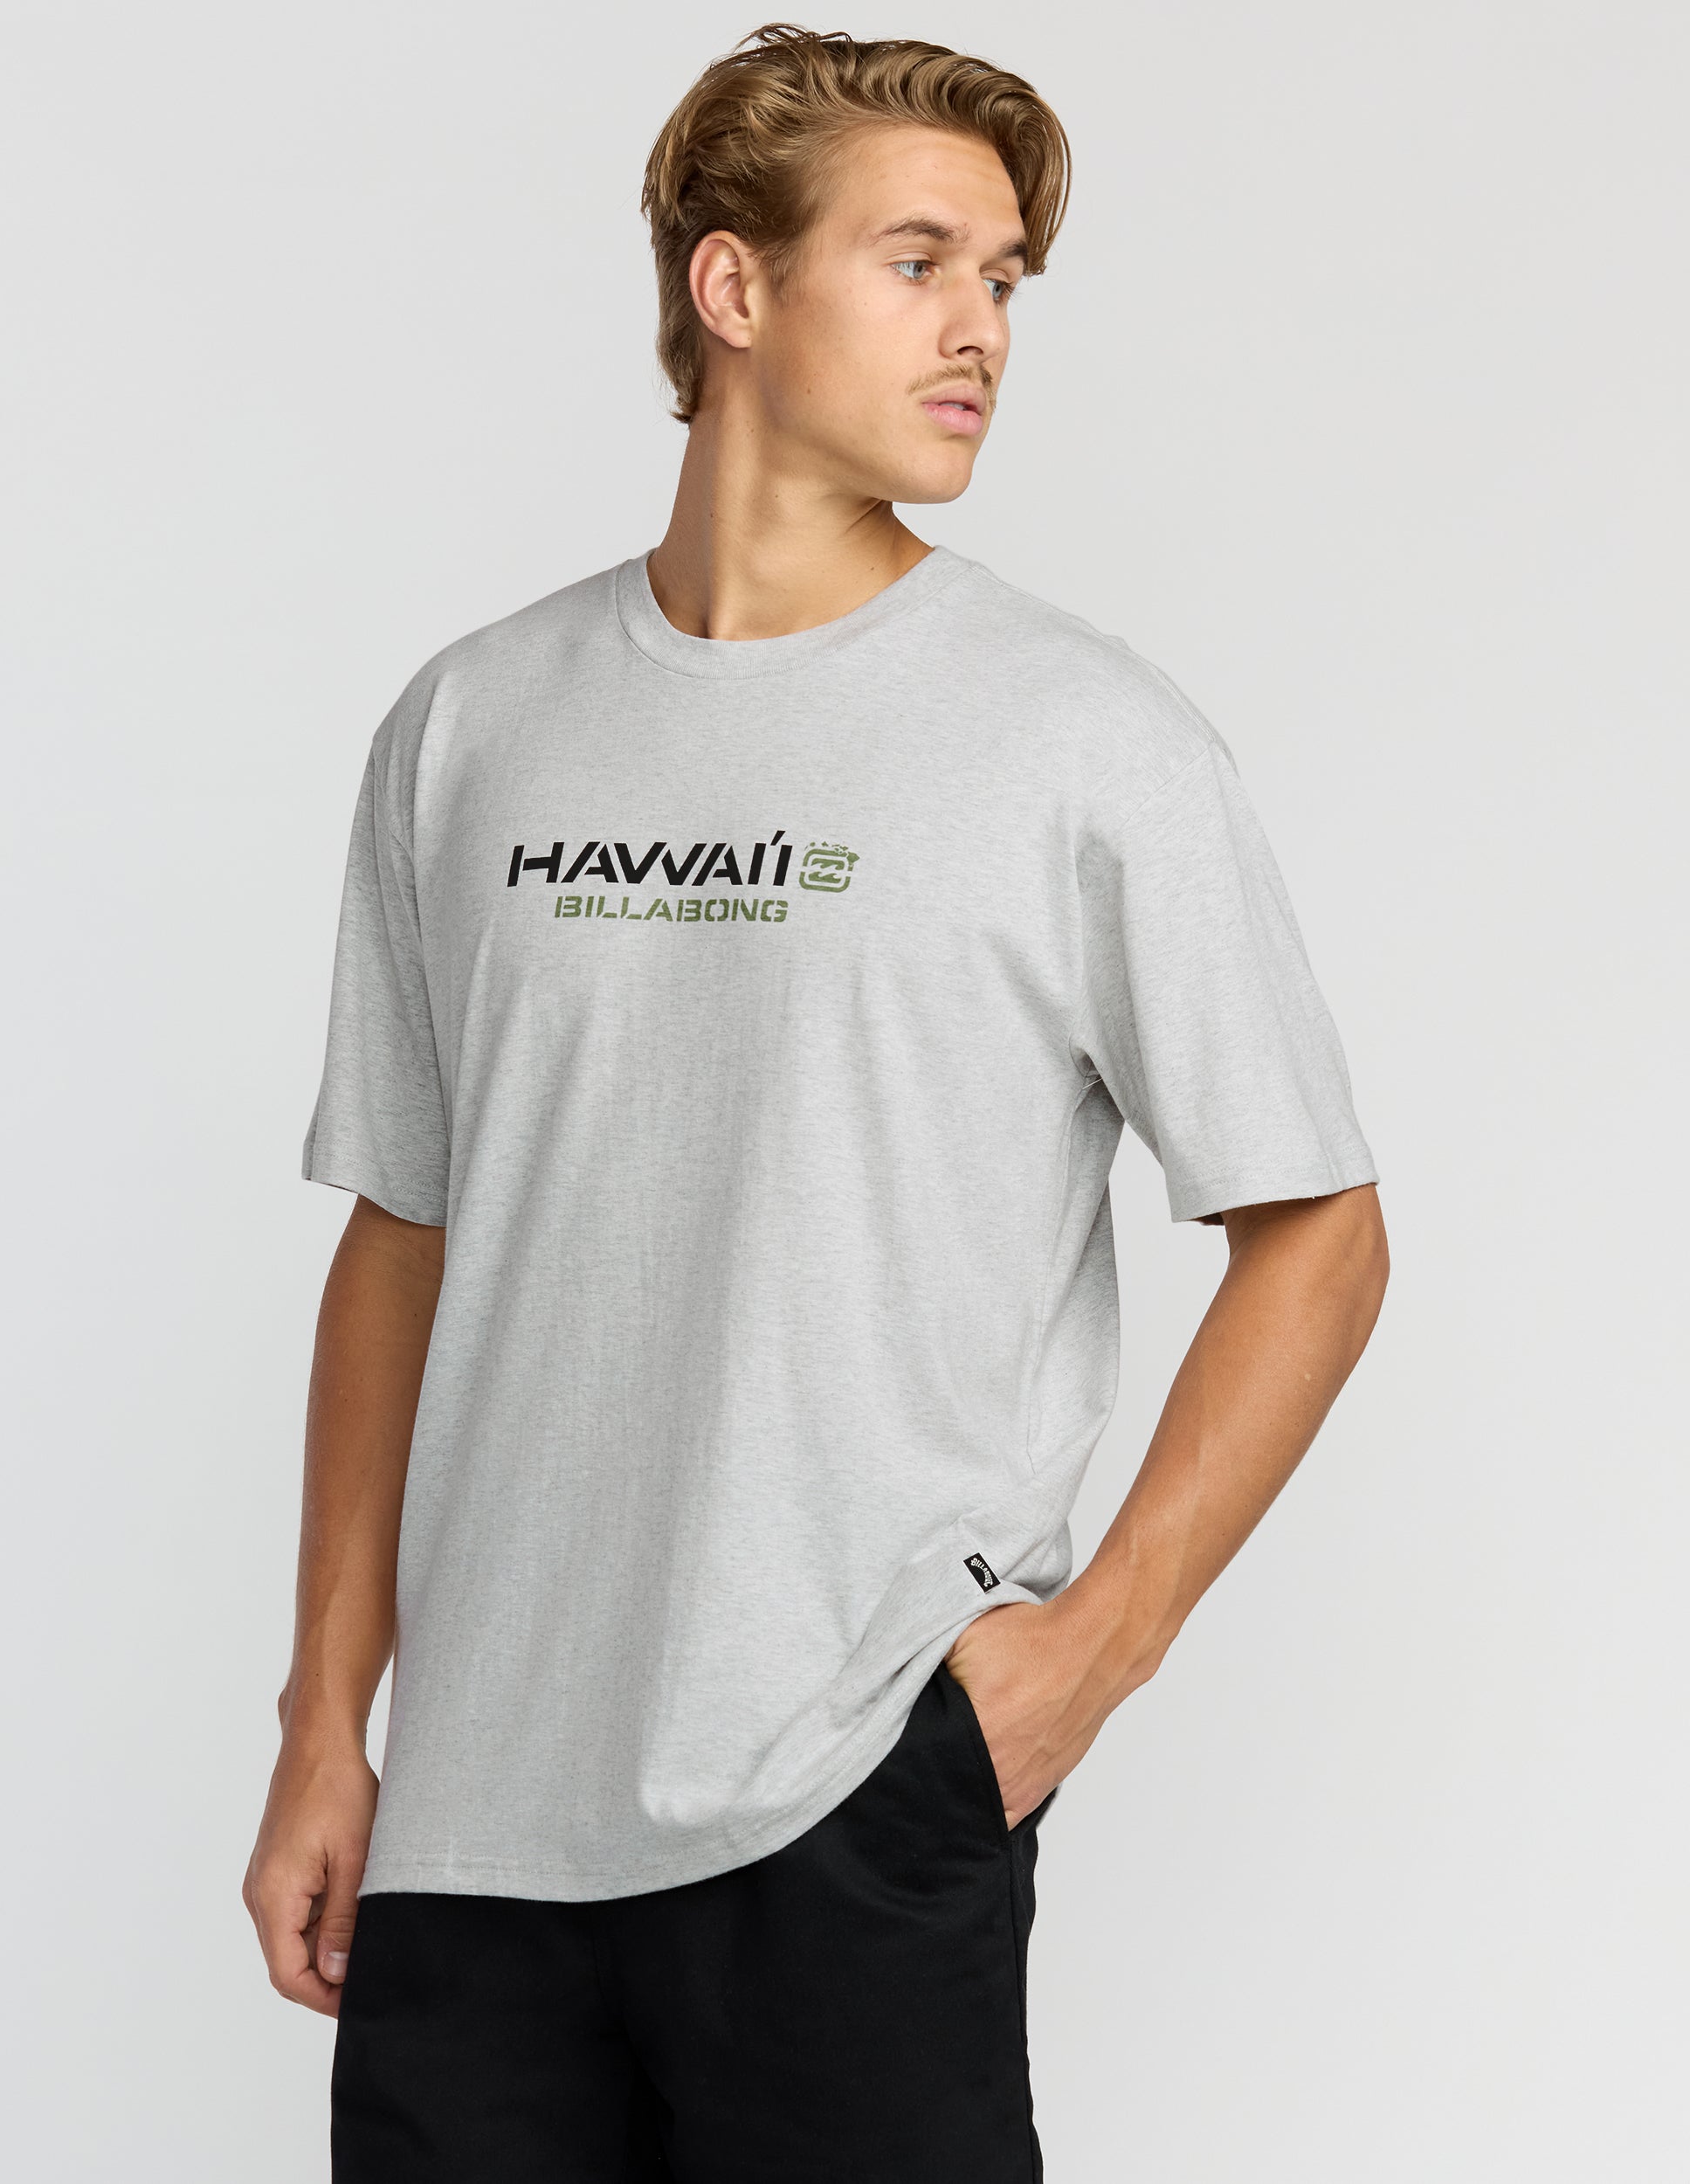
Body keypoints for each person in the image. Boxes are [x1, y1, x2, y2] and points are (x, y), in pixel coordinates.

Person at [244, 24, 1389, 2181]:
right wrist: (326, 1719)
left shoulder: (1080, 739)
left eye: (1006, 279)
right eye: (921, 259)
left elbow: (1318, 1231)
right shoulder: (472, 722)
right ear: (734, 286)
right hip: (476, 1832)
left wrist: (1083, 1659)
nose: (983, 330)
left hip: (852, 1791)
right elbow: (401, 1232)